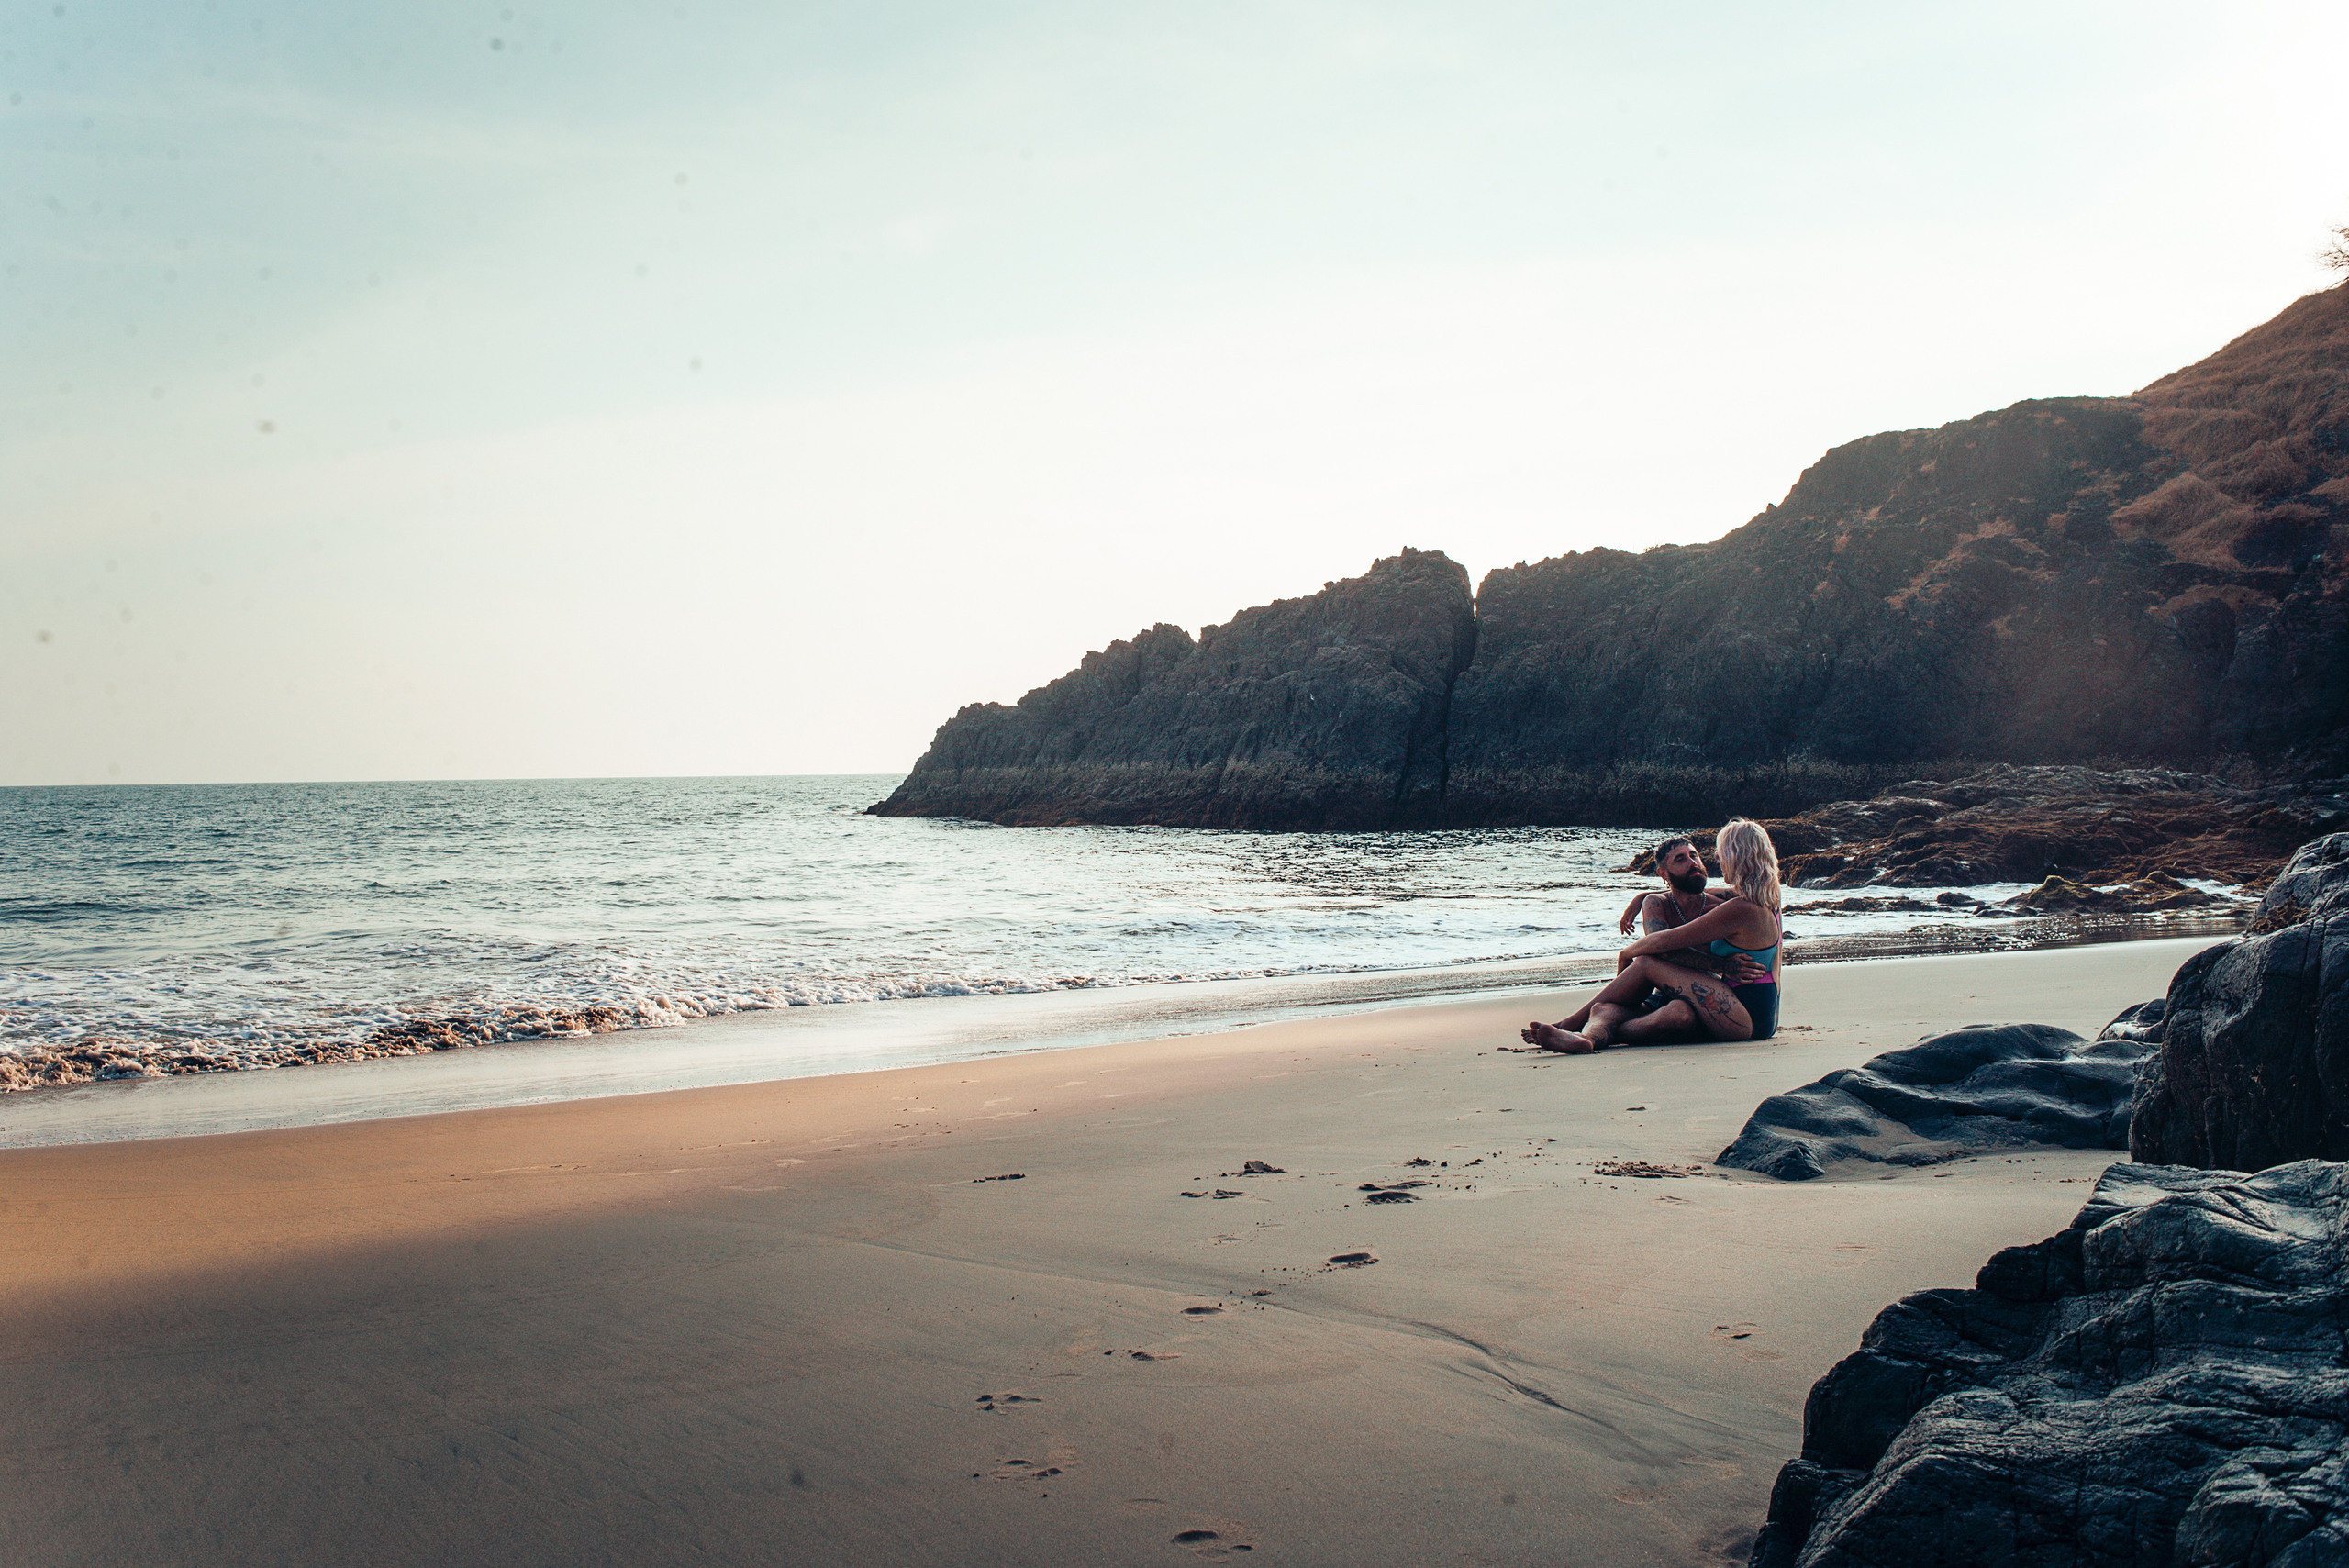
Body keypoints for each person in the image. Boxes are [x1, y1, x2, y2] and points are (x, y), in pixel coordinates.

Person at [1521, 819, 1783, 1053]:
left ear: (1738, 856)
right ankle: (1591, 1036)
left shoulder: (1740, 909)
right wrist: (1644, 897)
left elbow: (1664, 942)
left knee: (1646, 962)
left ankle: (1573, 1024)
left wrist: (1627, 953)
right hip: (1761, 1015)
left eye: (1721, 851)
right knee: (1656, 1011)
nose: (1715, 857)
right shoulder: (1767, 900)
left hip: (1745, 1019)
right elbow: (1688, 895)